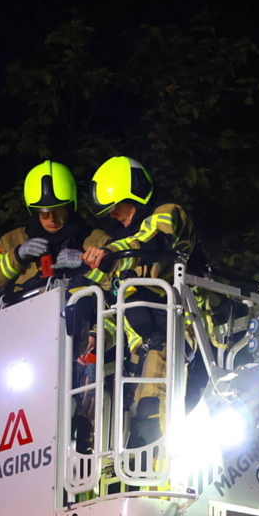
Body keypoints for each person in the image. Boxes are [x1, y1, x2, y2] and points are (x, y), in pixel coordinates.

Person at [81, 156, 196, 449]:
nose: (115, 217)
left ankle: (160, 481)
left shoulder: (169, 214)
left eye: (119, 208)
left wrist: (110, 254)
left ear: (138, 193)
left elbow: (153, 241)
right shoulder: (123, 253)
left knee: (151, 414)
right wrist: (93, 338)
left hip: (178, 331)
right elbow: (117, 306)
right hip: (140, 350)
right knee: (116, 425)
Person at [0, 160, 110, 300]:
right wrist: (16, 256)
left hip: (81, 319)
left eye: (59, 211)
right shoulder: (12, 240)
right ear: (34, 212)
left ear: (70, 207)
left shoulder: (95, 239)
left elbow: (119, 282)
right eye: (44, 213)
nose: (52, 219)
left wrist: (86, 264)